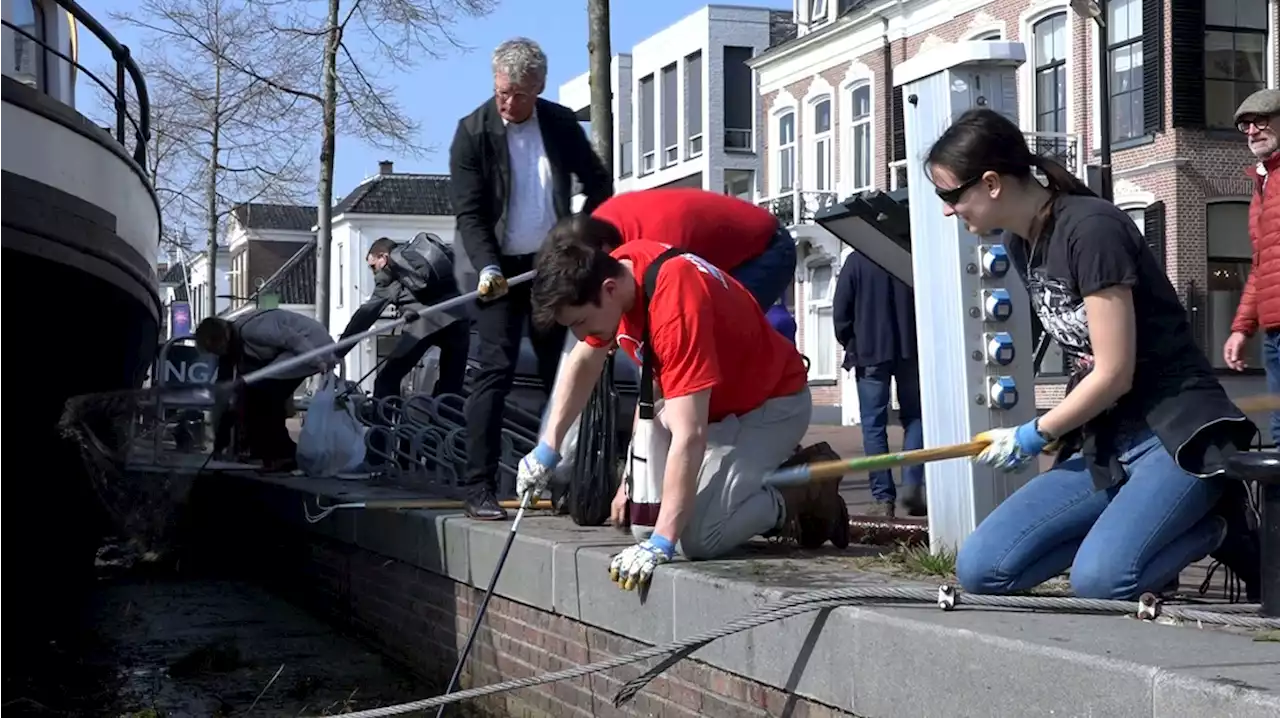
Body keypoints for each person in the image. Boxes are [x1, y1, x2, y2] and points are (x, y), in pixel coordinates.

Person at [927, 108, 1259, 601]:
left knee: (1102, 582)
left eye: (950, 195)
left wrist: (1035, 432)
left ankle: (1219, 526)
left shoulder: (1092, 229)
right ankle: (1136, 527)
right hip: (1108, 443)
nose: (948, 211)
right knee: (981, 570)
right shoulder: (1024, 246)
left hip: (1175, 435)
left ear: (991, 183)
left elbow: (1115, 372)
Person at [516, 215, 850, 592]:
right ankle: (739, 490)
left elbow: (690, 435)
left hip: (771, 406)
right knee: (645, 522)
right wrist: (548, 447)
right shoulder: (621, 270)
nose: (582, 335)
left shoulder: (675, 307)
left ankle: (806, 488)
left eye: (581, 322)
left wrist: (662, 544)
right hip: (714, 407)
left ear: (608, 290)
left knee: (697, 538)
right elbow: (584, 361)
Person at [449, 36, 612, 520]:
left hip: (550, 265)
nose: (508, 101)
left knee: (560, 373)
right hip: (495, 270)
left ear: (538, 88)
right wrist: (489, 267)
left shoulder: (560, 125)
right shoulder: (472, 133)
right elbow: (469, 213)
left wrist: (583, 236)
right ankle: (478, 485)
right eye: (502, 90)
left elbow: (598, 182)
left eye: (518, 93)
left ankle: (567, 480)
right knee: (494, 371)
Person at [335, 234, 471, 466]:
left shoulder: (391, 271)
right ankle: (445, 461)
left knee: (386, 381)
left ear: (383, 257)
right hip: (460, 321)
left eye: (372, 265)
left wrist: (337, 352)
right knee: (450, 392)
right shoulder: (425, 259)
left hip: (425, 324)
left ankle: (379, 454)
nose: (373, 272)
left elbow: (366, 315)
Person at [589, 187, 798, 309]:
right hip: (719, 250)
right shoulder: (597, 223)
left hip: (768, 249)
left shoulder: (660, 249)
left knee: (716, 331)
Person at [833, 250, 925, 518]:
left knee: (873, 425)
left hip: (870, 352)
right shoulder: (907, 253)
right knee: (916, 418)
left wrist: (853, 344)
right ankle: (912, 486)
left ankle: (883, 498)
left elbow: (841, 311)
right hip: (910, 350)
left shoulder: (856, 260)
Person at [195, 309, 337, 472]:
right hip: (295, 351)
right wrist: (219, 442)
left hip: (313, 344)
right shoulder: (232, 346)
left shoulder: (252, 330)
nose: (215, 355)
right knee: (255, 394)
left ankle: (281, 456)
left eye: (214, 350)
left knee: (263, 395)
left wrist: (318, 361)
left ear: (221, 339)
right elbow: (224, 394)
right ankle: (270, 453)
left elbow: (292, 338)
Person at [1223, 89, 1280, 446]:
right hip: (1274, 330)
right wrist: (1242, 327)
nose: (1252, 131)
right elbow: (1263, 264)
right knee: (1278, 432)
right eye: (1246, 125)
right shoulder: (1264, 182)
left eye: (1261, 121)